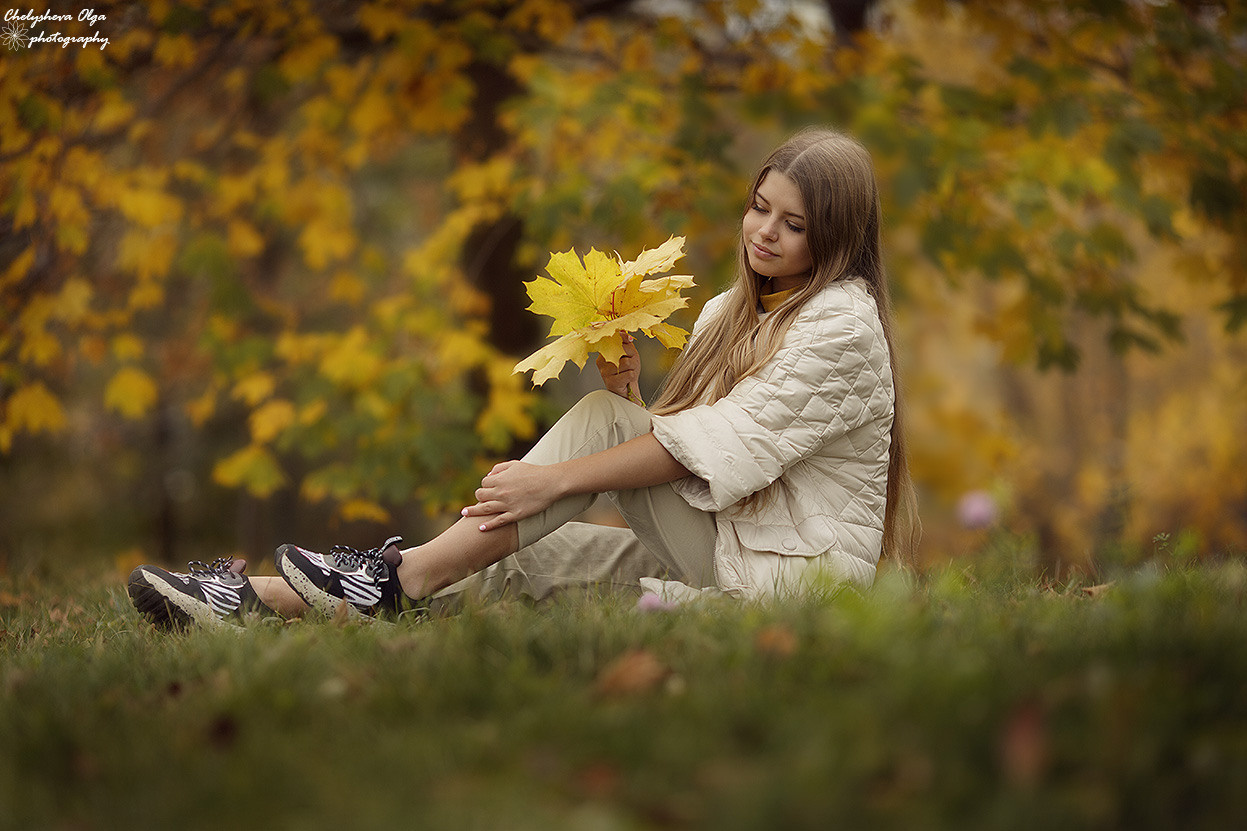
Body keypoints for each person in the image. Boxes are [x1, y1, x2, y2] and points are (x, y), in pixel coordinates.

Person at [127, 127, 919, 629]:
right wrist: (628, 398)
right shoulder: (731, 309)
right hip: (734, 544)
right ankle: (256, 601)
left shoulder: (841, 324)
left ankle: (392, 582)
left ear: (837, 234)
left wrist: (557, 478)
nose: (764, 233)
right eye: (758, 208)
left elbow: (699, 452)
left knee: (573, 465)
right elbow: (692, 452)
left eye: (793, 224)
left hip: (795, 584)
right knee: (522, 556)